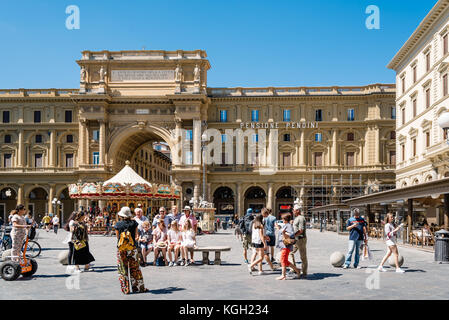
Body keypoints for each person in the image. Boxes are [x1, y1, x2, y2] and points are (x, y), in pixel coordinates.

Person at [114, 206, 148, 294]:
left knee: (123, 269)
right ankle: (138, 287)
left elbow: (118, 237)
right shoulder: (134, 223)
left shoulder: (118, 224)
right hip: (132, 248)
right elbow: (136, 236)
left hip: (121, 249)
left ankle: (126, 289)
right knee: (135, 268)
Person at [276, 213, 301, 280]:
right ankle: (297, 270)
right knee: (285, 261)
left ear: (285, 219)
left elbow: (291, 235)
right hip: (283, 245)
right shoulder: (285, 225)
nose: (282, 219)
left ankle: (283, 275)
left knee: (283, 260)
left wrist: (284, 233)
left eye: (282, 218)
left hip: (286, 245)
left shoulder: (288, 226)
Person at [290, 204, 308, 278]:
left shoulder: (301, 218)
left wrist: (293, 235)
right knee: (290, 252)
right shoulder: (297, 218)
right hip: (295, 240)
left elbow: (301, 230)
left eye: (293, 210)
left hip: (301, 240)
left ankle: (304, 272)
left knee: (303, 257)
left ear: (297, 210)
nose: (293, 211)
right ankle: (294, 268)